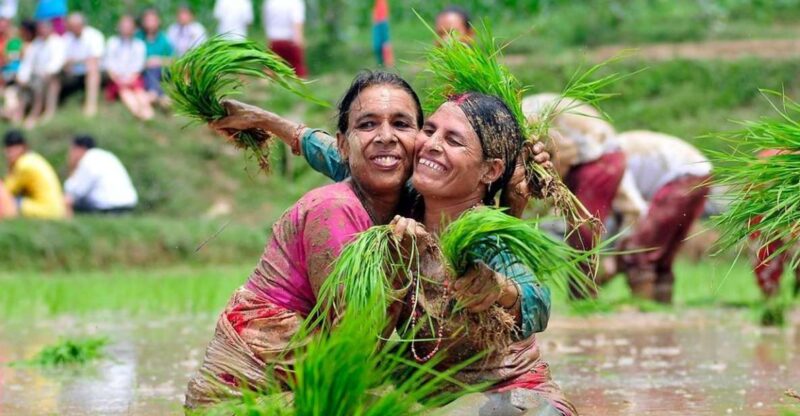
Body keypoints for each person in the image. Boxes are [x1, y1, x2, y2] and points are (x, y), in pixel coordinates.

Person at [522, 93, 627, 297]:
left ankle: (583, 298)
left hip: (598, 155)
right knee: (580, 232)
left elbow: (563, 152)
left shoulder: (524, 120)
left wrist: (548, 197)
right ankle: (583, 296)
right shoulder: (519, 117)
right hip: (585, 154)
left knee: (582, 231)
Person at [611, 130, 712, 304]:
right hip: (703, 173)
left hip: (682, 176)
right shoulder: (612, 150)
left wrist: (621, 251)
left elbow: (636, 210)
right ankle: (662, 306)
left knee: (639, 251)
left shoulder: (610, 161)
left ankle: (643, 309)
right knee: (662, 256)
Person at [63, 135, 138, 215]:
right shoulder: (106, 155)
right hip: (128, 204)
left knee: (67, 201)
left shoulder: (88, 160)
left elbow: (77, 192)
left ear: (79, 148)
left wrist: (72, 168)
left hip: (108, 207)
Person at [2, 129, 65, 219]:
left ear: (23, 148)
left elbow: (7, 191)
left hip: (47, 211)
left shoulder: (23, 165)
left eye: (11, 150)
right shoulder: (32, 158)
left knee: (7, 203)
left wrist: (9, 169)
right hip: (57, 210)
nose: (9, 155)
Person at [15, 20, 65, 127]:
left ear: (50, 29)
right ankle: (20, 112)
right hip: (36, 74)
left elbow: (57, 62)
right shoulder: (36, 43)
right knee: (22, 84)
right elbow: (27, 63)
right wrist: (22, 76)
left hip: (51, 74)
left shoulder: (58, 42)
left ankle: (36, 113)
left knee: (42, 83)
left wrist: (46, 72)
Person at [105, 15, 153, 121]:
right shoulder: (112, 42)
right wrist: (118, 79)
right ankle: (138, 112)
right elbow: (109, 65)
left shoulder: (139, 45)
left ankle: (147, 112)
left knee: (139, 92)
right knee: (125, 93)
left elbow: (138, 66)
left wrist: (130, 79)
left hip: (133, 79)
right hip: (117, 79)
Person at [62, 12, 104, 117]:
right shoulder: (66, 38)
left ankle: (91, 104)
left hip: (94, 71)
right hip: (72, 73)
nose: (73, 28)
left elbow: (95, 59)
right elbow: (64, 60)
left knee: (92, 68)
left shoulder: (94, 35)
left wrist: (76, 61)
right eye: (71, 26)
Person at [136, 8, 172, 106]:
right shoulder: (137, 37)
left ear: (158, 21)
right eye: (147, 20)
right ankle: (161, 96)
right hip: (142, 71)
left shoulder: (164, 39)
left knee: (155, 69)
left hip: (160, 72)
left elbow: (173, 60)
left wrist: (158, 60)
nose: (150, 23)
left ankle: (154, 93)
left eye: (152, 20)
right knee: (151, 70)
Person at [262, 0, 306, 77]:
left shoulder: (269, 2)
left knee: (271, 69)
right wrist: (299, 40)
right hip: (291, 41)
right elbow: (297, 21)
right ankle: (301, 88)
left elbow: (266, 21)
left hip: (274, 40)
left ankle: (264, 87)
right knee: (298, 71)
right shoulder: (295, 2)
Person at [2, 19, 33, 123]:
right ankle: (10, 113)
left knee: (12, 93)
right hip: (10, 77)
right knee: (10, 93)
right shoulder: (12, 44)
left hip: (20, 78)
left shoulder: (28, 45)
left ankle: (11, 113)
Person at [372, 0, 394, 67]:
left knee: (385, 43)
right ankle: (380, 63)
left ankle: (388, 63)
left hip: (383, 21)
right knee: (377, 45)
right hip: (377, 22)